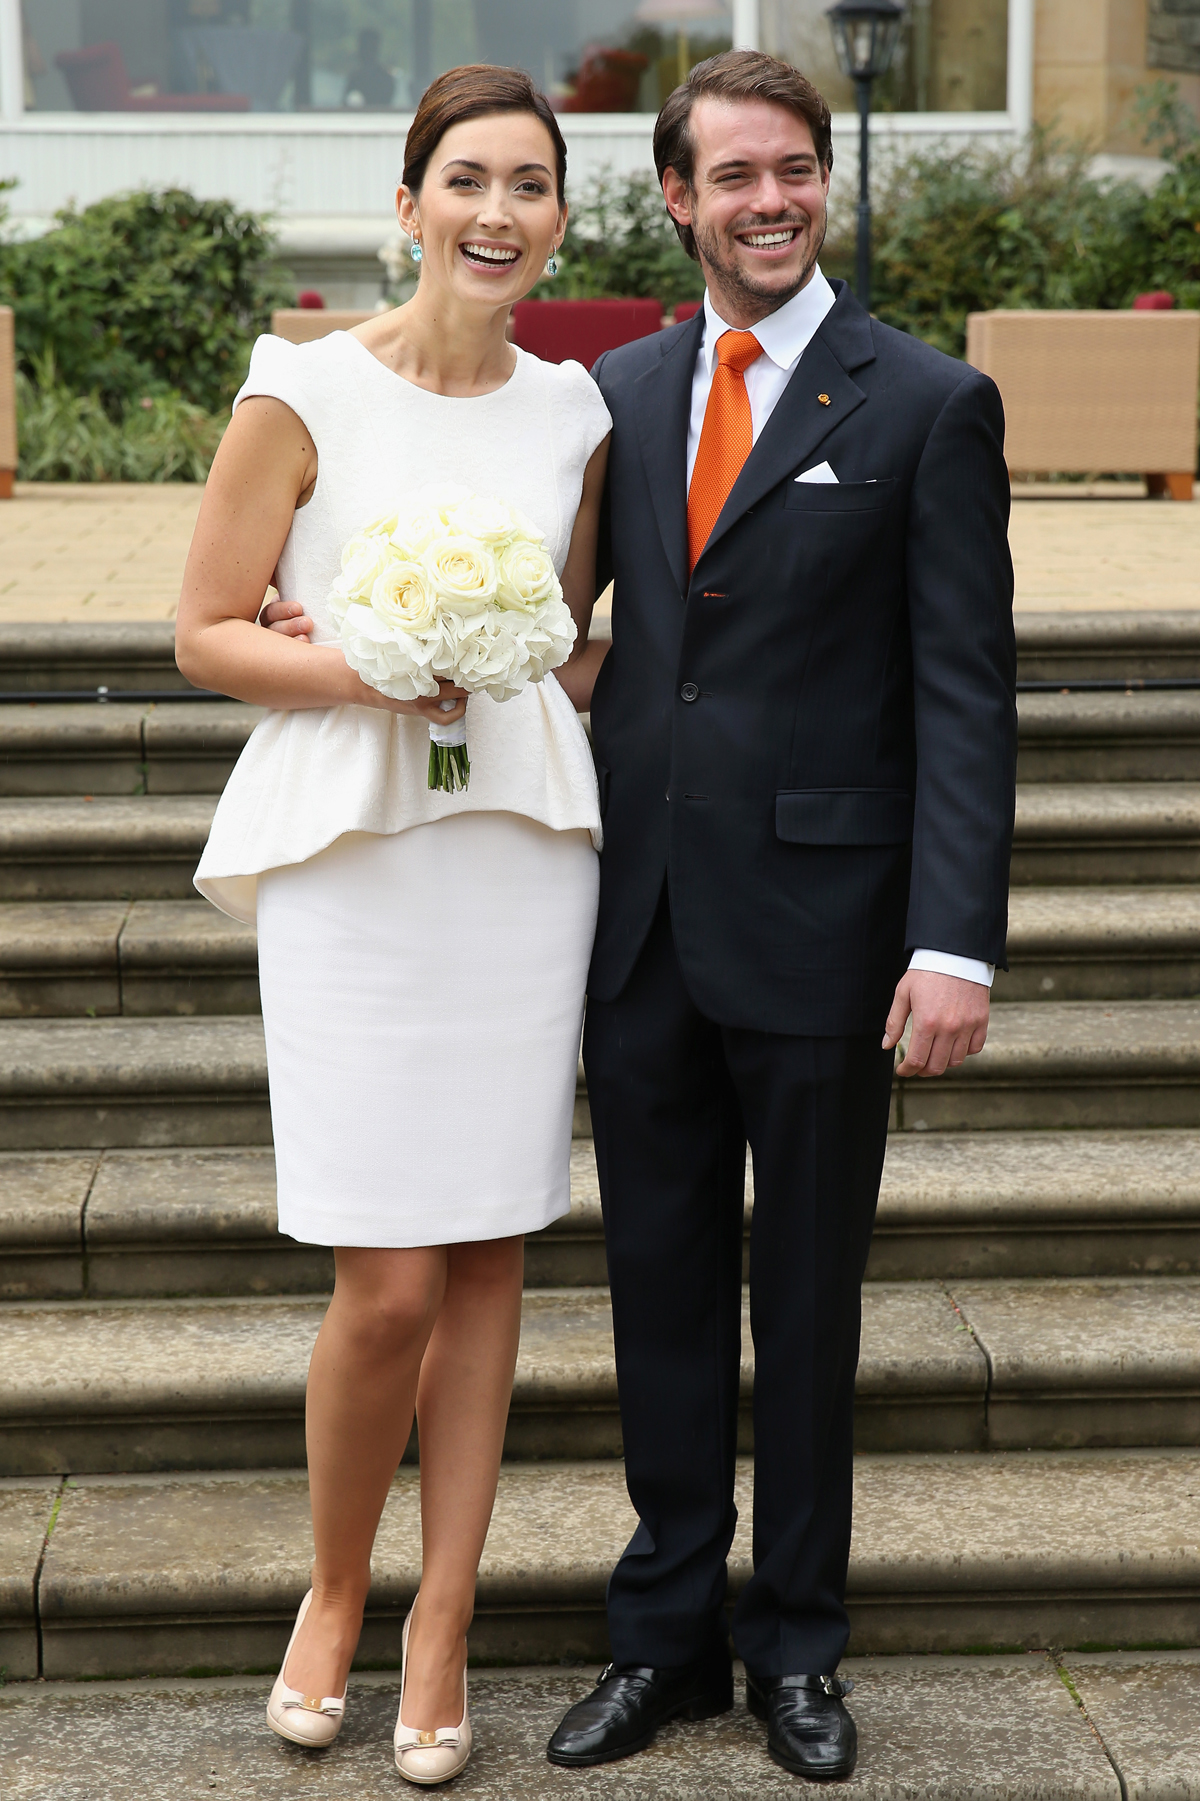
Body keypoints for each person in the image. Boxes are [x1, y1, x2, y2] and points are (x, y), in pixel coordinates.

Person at [541, 51, 1016, 1783]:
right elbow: (543, 606)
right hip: (644, 924)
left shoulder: (925, 403)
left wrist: (955, 939)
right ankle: (663, 1635)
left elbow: (966, 689)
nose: (768, 199)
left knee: (805, 1305)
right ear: (675, 199)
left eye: (793, 169)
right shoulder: (619, 390)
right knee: (658, 1292)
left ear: (822, 184)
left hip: (829, 929)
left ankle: (798, 1642)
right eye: (732, 174)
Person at [176, 64, 611, 1788]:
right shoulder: (298, 390)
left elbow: (568, 645)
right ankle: (338, 1587)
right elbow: (208, 630)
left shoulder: (577, 414)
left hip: (515, 846)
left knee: (495, 1246)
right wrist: (360, 656)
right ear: (412, 198)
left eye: (532, 185)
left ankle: (447, 1617)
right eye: (470, 181)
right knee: (384, 1277)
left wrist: (532, 654)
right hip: (360, 859)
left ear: (560, 213)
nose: (500, 214)